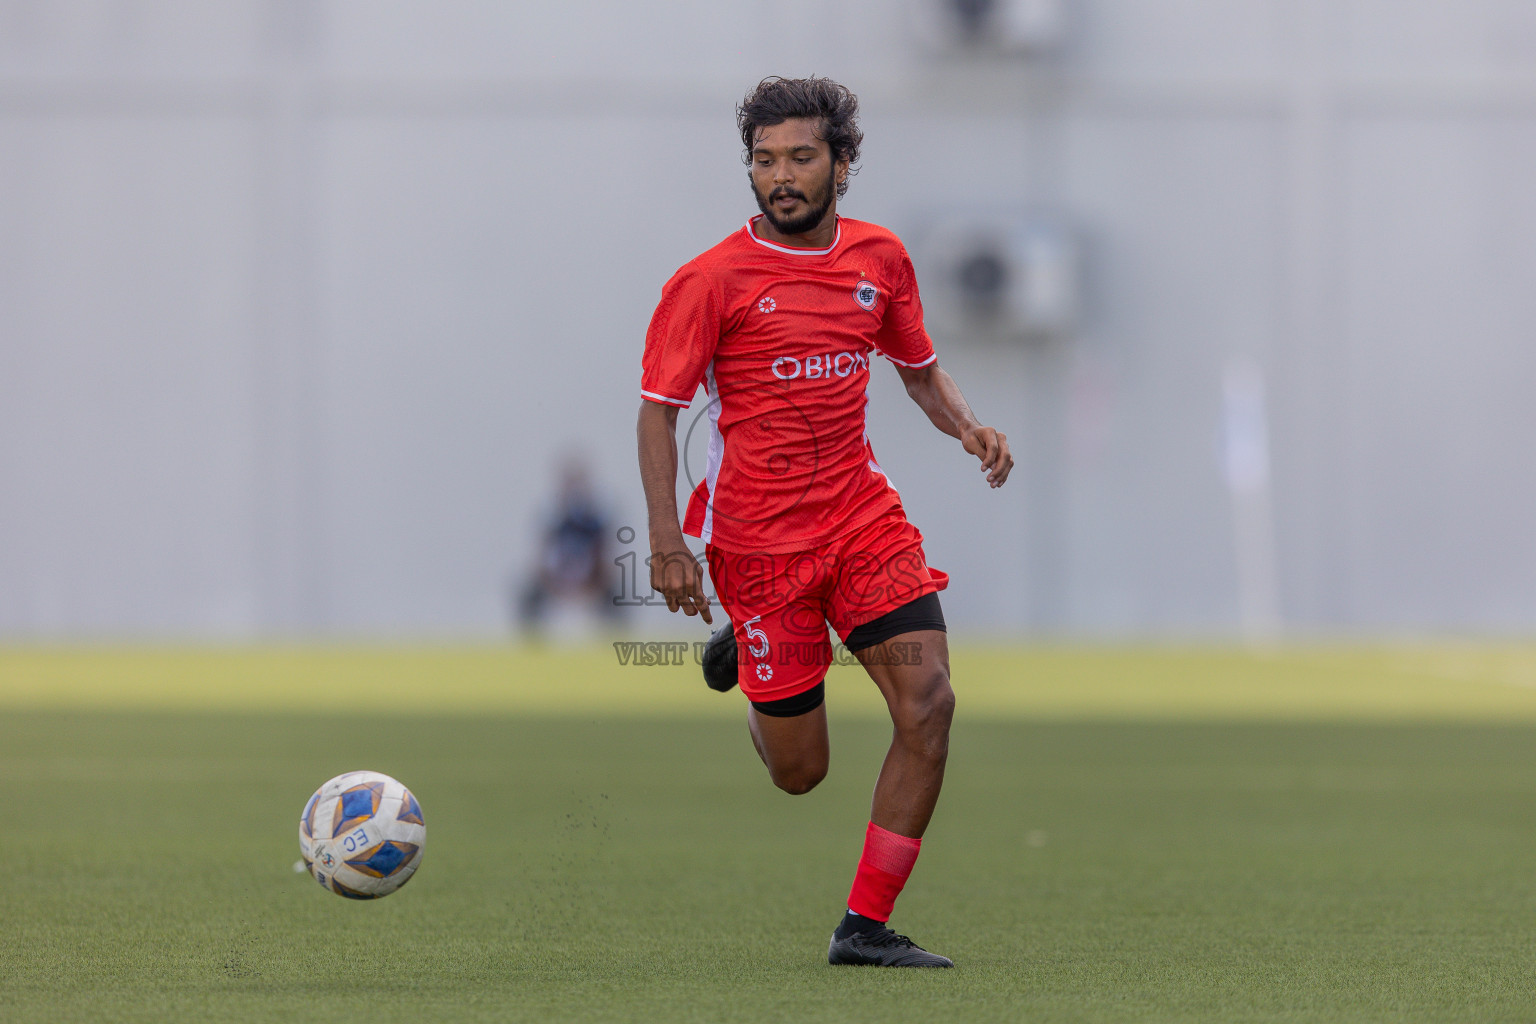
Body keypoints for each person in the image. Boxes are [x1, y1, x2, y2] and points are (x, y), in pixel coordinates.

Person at [636, 77, 1012, 968]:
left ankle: (863, 927)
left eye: (801, 157)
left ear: (843, 164)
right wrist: (666, 546)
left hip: (863, 525)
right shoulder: (709, 280)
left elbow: (919, 371)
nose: (781, 177)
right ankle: (750, 661)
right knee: (801, 773)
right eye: (764, 160)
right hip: (760, 548)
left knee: (930, 704)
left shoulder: (880, 258)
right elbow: (658, 412)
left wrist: (970, 427)